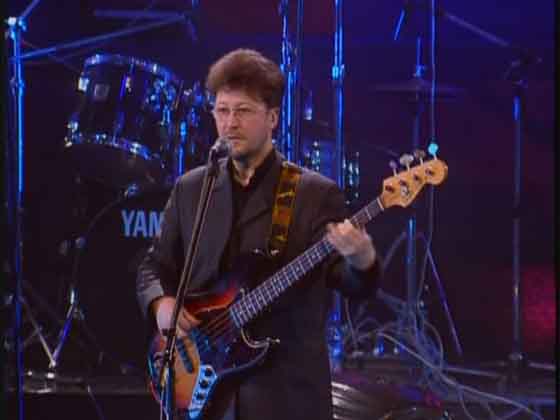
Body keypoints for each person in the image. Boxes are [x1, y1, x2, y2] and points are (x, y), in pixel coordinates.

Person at [136, 48, 382, 420]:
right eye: (222, 110)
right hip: (205, 396)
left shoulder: (313, 193)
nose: (230, 123)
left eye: (243, 111)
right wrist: (161, 304)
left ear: (272, 118)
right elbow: (153, 267)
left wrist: (362, 259)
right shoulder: (191, 188)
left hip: (284, 397)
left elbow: (351, 283)